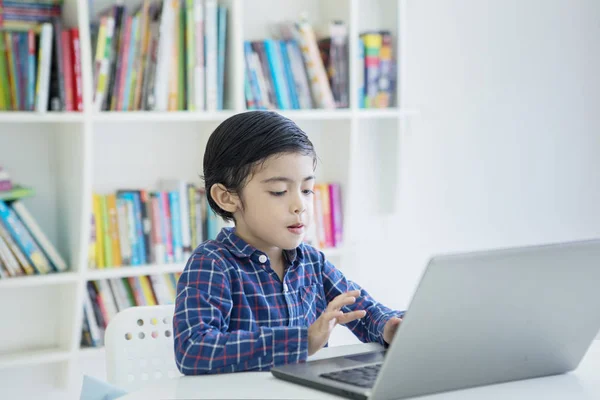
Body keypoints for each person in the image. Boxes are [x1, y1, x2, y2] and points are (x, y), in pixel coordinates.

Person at [173, 110, 405, 375]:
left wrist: (389, 326)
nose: (299, 205)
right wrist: (302, 342)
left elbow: (363, 310)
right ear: (227, 197)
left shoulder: (311, 262)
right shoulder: (213, 263)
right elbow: (194, 350)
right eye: (279, 191)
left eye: (307, 190)